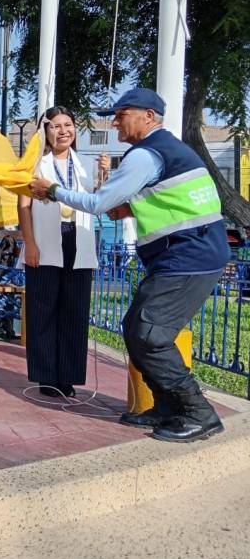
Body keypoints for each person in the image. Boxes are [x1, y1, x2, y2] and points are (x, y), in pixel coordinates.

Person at [31, 88, 229, 442]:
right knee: (134, 327)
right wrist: (130, 207)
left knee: (149, 334)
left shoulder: (146, 155)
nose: (115, 123)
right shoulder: (164, 150)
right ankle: (167, 406)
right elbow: (168, 199)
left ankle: (198, 412)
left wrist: (52, 191)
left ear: (148, 117)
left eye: (121, 115)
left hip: (189, 255)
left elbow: (96, 203)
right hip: (185, 254)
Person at [18, 106, 104, 398]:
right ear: (45, 131)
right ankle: (46, 377)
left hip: (79, 239)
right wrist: (30, 243)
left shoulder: (87, 164)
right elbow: (24, 206)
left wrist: (104, 175)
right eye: (55, 126)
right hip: (45, 241)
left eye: (68, 125)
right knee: (43, 309)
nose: (63, 131)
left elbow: (99, 200)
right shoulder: (35, 164)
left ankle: (68, 376)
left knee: (74, 309)